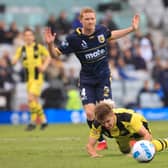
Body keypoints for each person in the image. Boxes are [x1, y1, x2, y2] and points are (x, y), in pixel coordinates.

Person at [44, 7, 140, 150]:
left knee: (108, 111)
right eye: (87, 19)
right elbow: (54, 55)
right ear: (81, 20)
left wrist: (131, 29)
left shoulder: (101, 30)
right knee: (90, 113)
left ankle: (127, 136)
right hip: (87, 80)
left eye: (92, 19)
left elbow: (112, 35)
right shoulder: (73, 39)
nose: (90, 21)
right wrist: (50, 44)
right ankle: (101, 141)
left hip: (103, 78)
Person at [86, 100, 168, 157]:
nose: (106, 125)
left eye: (108, 121)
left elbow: (146, 135)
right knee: (124, 151)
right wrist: (94, 154)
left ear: (112, 114)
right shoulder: (97, 124)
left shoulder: (129, 118)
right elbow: (90, 146)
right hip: (121, 135)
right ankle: (123, 142)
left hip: (137, 131)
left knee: (149, 148)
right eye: (103, 123)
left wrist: (138, 151)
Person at [12, 28, 51, 131]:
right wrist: (14, 61)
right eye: (26, 35)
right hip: (28, 78)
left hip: (37, 78)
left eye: (30, 35)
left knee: (30, 99)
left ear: (33, 37)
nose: (28, 37)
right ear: (24, 37)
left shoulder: (39, 47)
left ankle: (43, 120)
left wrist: (44, 66)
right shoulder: (21, 49)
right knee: (34, 101)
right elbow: (15, 58)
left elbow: (48, 57)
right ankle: (34, 122)